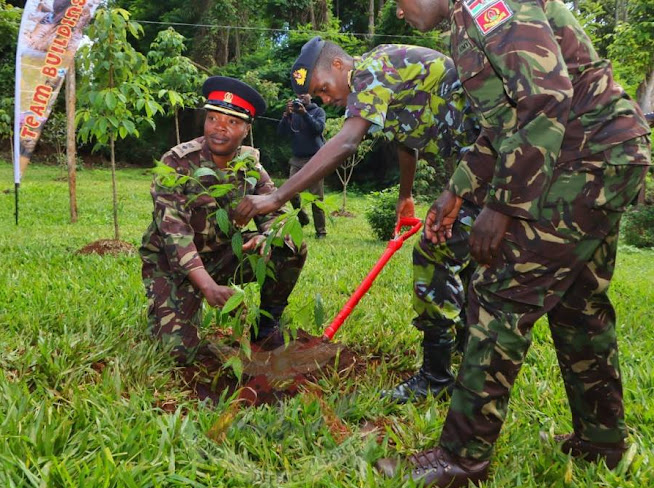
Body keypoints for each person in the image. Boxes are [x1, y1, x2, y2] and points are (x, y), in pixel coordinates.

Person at [383, 0, 652, 488]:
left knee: (499, 297)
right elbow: (505, 121)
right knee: (577, 305)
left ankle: (460, 460)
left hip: (582, 160)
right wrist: (458, 188)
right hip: (603, 155)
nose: (399, 13)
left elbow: (546, 99)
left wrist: (502, 206)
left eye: (398, 2)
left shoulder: (489, 6)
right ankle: (603, 441)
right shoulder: (467, 22)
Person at [235, 37, 481, 402]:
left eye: (321, 88)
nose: (324, 99)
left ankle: (436, 378)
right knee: (468, 255)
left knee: (435, 252)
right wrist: (405, 194)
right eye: (317, 97)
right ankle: (463, 351)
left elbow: (347, 141)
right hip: (482, 160)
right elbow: (406, 139)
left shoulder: (370, 70)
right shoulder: (383, 78)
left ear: (338, 66)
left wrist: (275, 197)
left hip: (492, 154)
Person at [139, 76, 308, 362]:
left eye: (232, 122)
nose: (219, 128)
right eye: (213, 118)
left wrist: (265, 237)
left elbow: (281, 221)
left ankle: (267, 325)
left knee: (291, 246)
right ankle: (169, 306)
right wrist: (207, 287)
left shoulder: (251, 167)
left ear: (246, 129)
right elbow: (174, 235)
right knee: (177, 353)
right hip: (173, 265)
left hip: (224, 255)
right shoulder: (177, 163)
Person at [277, 93, 327, 238]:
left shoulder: (318, 111)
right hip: (297, 159)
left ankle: (321, 232)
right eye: (299, 95)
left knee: (316, 198)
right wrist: (286, 116)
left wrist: (304, 114)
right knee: (291, 192)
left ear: (310, 96)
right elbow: (281, 133)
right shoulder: (293, 114)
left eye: (304, 94)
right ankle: (303, 218)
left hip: (315, 159)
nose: (301, 97)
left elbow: (318, 129)